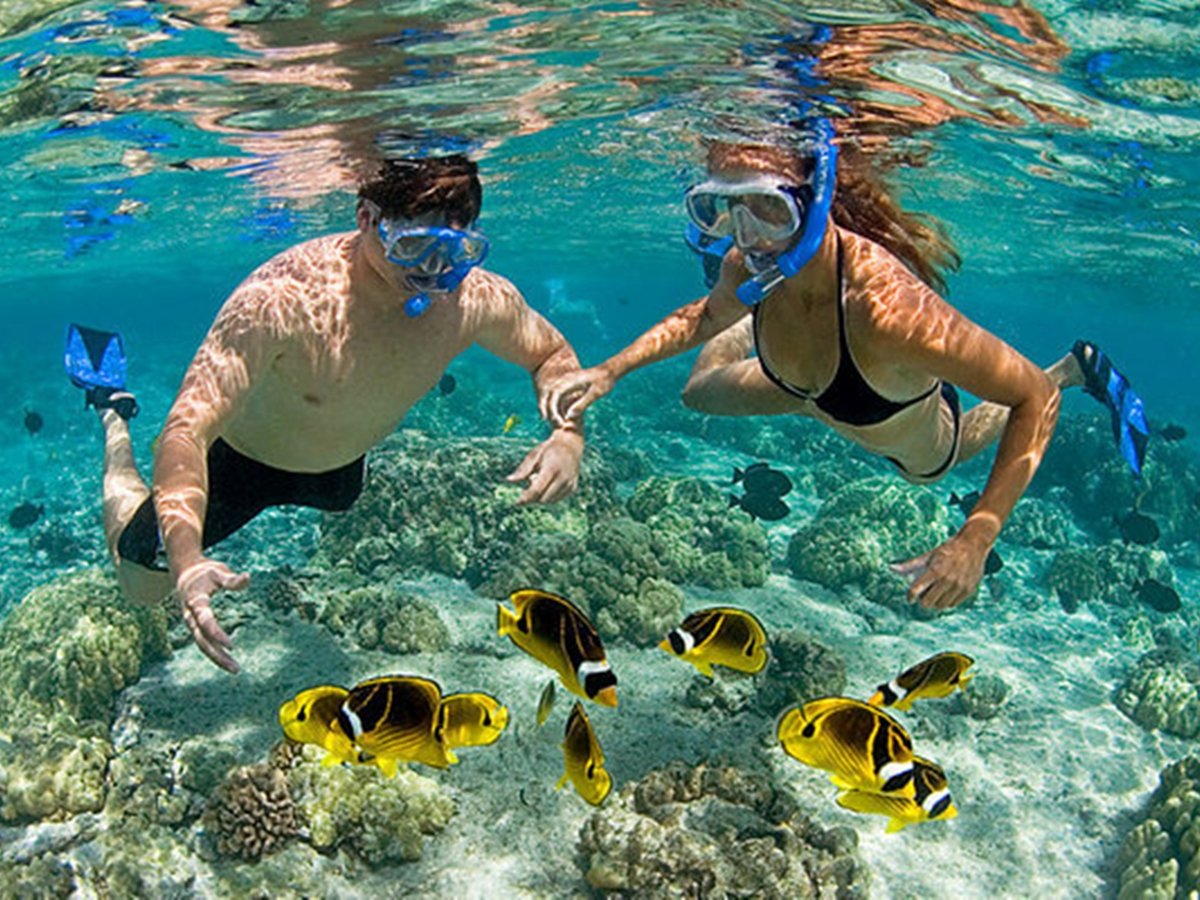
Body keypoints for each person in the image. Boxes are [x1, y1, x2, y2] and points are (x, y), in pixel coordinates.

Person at [544, 120, 1147, 611]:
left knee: (938, 465)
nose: (748, 236)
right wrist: (611, 370)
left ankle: (1075, 367)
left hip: (885, 405)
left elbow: (1030, 398)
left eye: (768, 209)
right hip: (806, 386)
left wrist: (977, 534)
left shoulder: (890, 314)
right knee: (699, 390)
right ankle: (763, 326)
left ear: (816, 200)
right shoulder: (744, 265)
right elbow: (703, 319)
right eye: (722, 210)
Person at [72, 155, 587, 673]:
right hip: (242, 462)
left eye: (455, 251)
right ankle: (112, 416)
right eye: (412, 247)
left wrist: (567, 434)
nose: (432, 272)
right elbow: (187, 430)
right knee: (141, 586)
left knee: (339, 491)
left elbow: (551, 354)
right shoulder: (280, 300)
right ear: (366, 219)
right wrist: (185, 564)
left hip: (341, 467)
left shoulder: (474, 299)